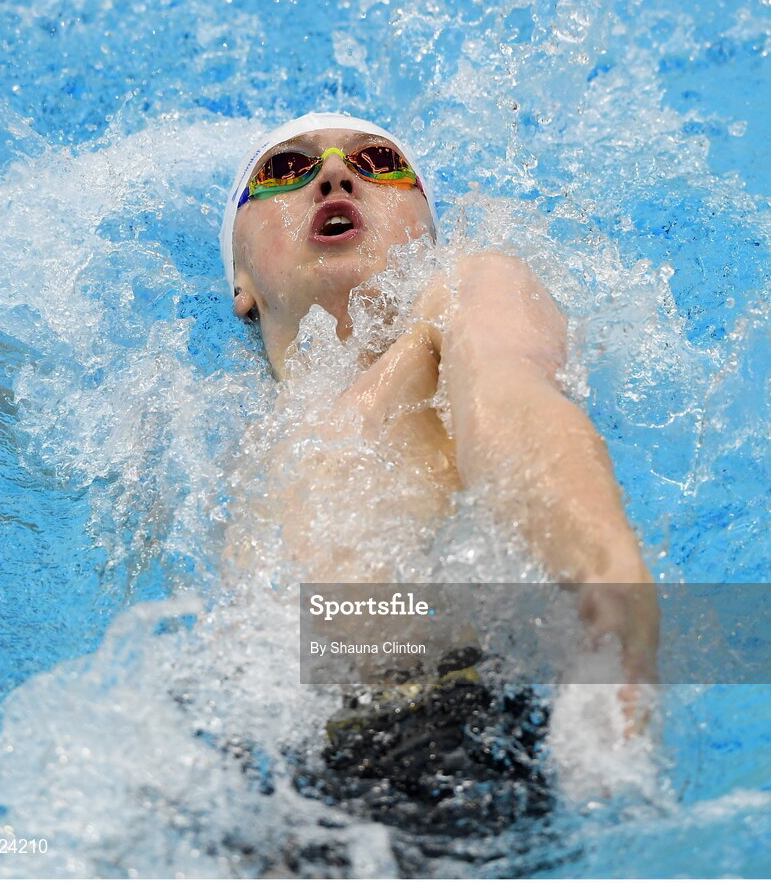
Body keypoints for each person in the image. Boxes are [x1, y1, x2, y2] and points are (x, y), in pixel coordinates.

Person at [219, 111, 658, 746]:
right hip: (243, 745)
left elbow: (512, 399)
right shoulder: (206, 438)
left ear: (428, 237)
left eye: (379, 163)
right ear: (241, 281)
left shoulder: (463, 292)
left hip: (440, 727)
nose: (336, 178)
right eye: (287, 169)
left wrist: (605, 577)